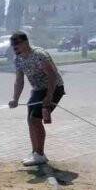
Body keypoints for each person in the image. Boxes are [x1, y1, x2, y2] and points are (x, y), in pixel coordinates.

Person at [7, 31, 65, 166]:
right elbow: (19, 80)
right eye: (12, 45)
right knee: (30, 120)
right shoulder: (18, 59)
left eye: (17, 44)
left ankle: (39, 154)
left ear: (26, 43)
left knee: (35, 119)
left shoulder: (39, 55)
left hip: (54, 88)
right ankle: (36, 153)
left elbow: (53, 76)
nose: (14, 48)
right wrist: (15, 99)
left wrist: (49, 96)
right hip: (38, 89)